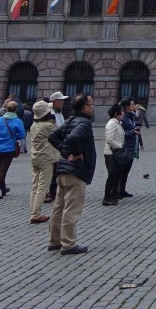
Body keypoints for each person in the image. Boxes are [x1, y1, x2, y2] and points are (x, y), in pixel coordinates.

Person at [48, 93, 96, 255]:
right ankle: (68, 244)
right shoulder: (84, 123)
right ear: (84, 107)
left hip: (62, 169)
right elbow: (74, 138)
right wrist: (76, 154)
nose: (92, 107)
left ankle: (54, 241)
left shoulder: (69, 120)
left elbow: (53, 136)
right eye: (91, 105)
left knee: (58, 207)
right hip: (75, 171)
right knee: (71, 209)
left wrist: (63, 151)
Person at [28, 100, 60, 224]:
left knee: (35, 186)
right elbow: (60, 132)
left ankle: (33, 212)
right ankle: (35, 214)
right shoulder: (48, 126)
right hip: (46, 158)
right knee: (42, 187)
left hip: (35, 157)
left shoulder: (34, 125)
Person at [0, 101, 25, 197]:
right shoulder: (18, 121)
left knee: (0, 169)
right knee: (3, 171)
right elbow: (22, 135)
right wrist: (13, 136)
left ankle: (3, 189)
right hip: (9, 149)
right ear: (15, 109)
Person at [43, 91, 68, 203]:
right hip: (51, 145)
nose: (62, 102)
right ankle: (48, 192)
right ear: (54, 101)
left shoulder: (59, 112)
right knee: (51, 170)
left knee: (56, 169)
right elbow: (56, 127)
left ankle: (53, 191)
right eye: (60, 100)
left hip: (57, 145)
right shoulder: (50, 113)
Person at [102, 103, 127, 206]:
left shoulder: (117, 123)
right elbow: (109, 139)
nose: (123, 114)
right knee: (112, 175)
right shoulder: (112, 123)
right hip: (111, 153)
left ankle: (113, 194)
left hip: (116, 152)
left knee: (116, 174)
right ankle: (106, 197)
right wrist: (120, 147)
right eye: (122, 112)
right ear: (117, 114)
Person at [118, 99, 138, 197]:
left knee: (126, 170)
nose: (134, 105)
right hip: (125, 147)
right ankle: (118, 190)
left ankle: (122, 190)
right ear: (126, 106)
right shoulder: (123, 117)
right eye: (132, 104)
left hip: (131, 147)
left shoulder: (131, 116)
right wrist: (133, 132)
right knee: (122, 170)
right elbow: (121, 133)